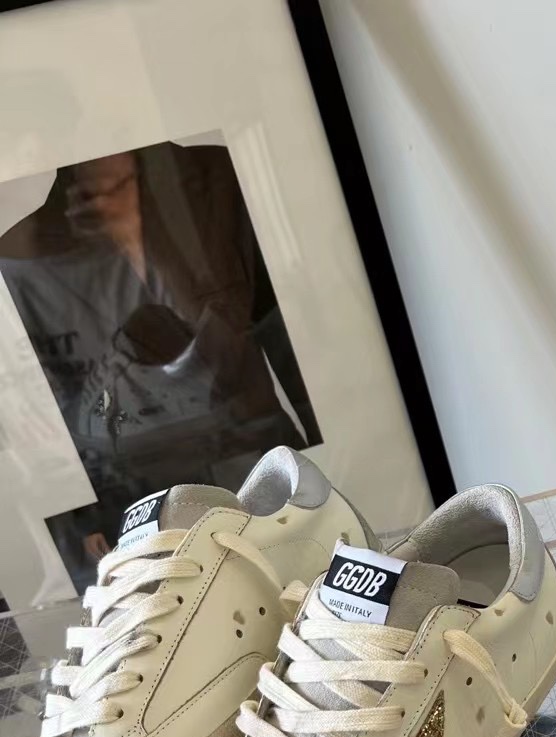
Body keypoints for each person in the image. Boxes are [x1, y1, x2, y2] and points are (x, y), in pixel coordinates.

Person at [0, 141, 321, 588]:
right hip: (134, 496)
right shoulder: (22, 255)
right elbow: (42, 404)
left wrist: (321, 445)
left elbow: (277, 325)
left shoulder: (210, 182)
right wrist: (80, 519)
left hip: (253, 457)